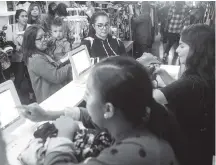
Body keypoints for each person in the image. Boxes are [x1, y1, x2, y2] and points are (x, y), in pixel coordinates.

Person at [18, 56, 188, 165]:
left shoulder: (129, 155)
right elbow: (91, 117)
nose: (85, 98)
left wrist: (62, 137)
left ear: (108, 108)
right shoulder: (137, 121)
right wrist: (47, 115)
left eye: (89, 93)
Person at [153, 24, 215, 165]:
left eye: (182, 46)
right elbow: (177, 90)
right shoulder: (205, 75)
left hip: (189, 150)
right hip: (201, 145)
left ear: (197, 49)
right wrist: (162, 73)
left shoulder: (192, 82)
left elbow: (154, 98)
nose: (177, 51)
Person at [22, 25, 72, 103]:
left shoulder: (40, 53)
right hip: (50, 101)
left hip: (55, 96)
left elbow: (52, 66)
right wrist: (71, 66)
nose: (45, 39)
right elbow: (56, 76)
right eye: (40, 38)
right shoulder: (36, 59)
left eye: (45, 36)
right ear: (31, 41)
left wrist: (67, 58)